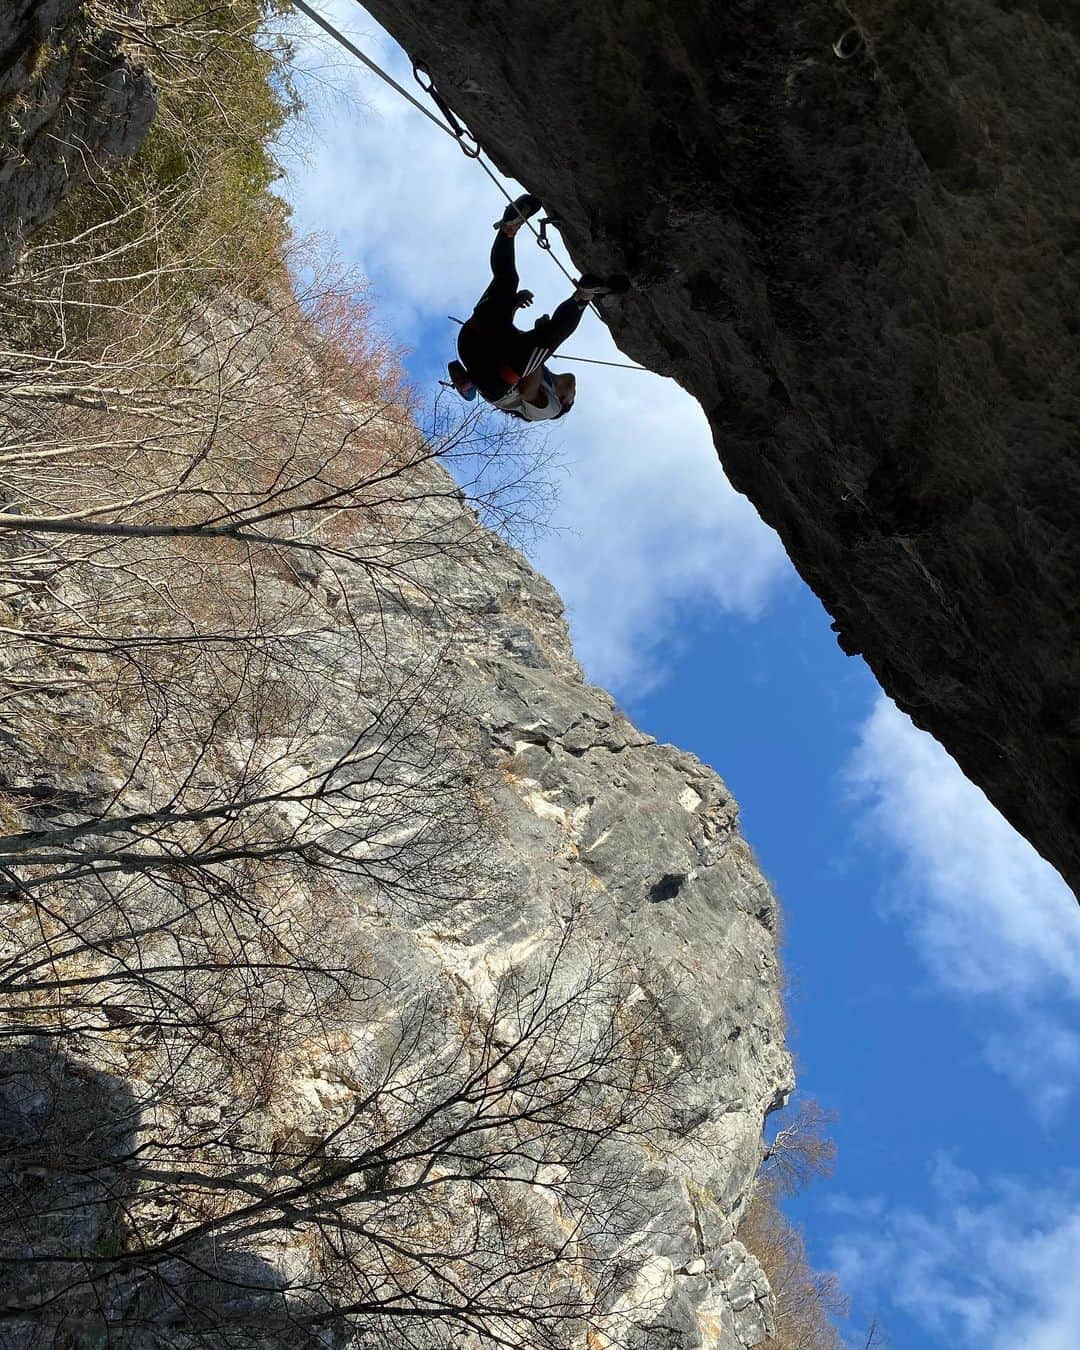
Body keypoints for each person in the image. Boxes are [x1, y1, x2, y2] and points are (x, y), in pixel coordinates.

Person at [448, 194, 628, 420]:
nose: (574, 391)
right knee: (507, 282)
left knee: (550, 337)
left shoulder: (552, 409)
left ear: (564, 401)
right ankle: (508, 229)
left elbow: (526, 390)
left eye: (573, 397)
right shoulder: (532, 362)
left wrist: (541, 337)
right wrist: (512, 305)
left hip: (494, 374)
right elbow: (506, 339)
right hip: (474, 339)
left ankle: (583, 296)